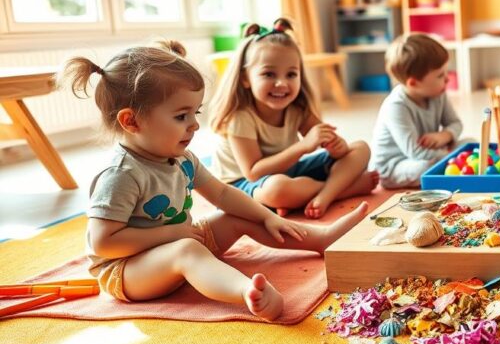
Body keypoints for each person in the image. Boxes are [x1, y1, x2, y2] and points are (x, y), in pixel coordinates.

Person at [61, 41, 368, 320]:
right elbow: (104, 243)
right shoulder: (121, 175)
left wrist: (265, 216)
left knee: (237, 215)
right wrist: (173, 234)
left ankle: (321, 239)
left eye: (195, 113)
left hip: (180, 239)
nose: (195, 125)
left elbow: (222, 193)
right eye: (181, 116)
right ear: (131, 121)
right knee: (188, 252)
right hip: (128, 270)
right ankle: (248, 293)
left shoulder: (182, 158)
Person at [209, 19, 377, 219]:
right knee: (278, 189)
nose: (281, 83)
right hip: (239, 186)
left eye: (291, 74)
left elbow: (334, 147)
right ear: (245, 78)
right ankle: (344, 189)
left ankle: (324, 195)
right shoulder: (240, 117)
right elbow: (253, 172)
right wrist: (304, 146)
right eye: (269, 74)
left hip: (287, 172)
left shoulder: (297, 108)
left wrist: (337, 146)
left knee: (360, 148)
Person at [370, 33, 463, 188]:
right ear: (414, 83)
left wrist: (444, 135)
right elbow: (415, 151)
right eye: (440, 75)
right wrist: (451, 157)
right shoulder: (396, 106)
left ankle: (449, 163)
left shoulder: (437, 92)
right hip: (394, 167)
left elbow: (455, 123)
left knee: (471, 144)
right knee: (427, 166)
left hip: (433, 153)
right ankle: (449, 164)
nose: (447, 79)